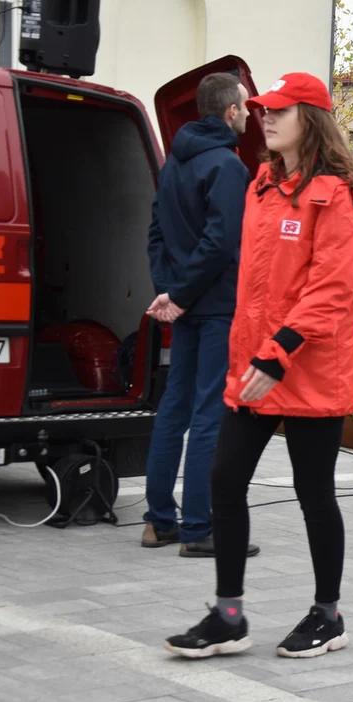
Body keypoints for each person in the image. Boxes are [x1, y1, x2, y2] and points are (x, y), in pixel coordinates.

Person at [162, 72, 353, 659]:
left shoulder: (337, 196)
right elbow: (251, 280)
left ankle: (328, 616)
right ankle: (229, 615)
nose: (265, 118)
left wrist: (276, 354)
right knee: (225, 480)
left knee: (314, 491)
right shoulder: (262, 187)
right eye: (261, 109)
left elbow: (331, 289)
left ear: (313, 118)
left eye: (279, 110)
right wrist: (185, 300)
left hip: (306, 368)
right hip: (257, 366)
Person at [143, 73, 260, 559]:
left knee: (173, 409)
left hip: (185, 304)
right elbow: (221, 243)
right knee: (210, 412)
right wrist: (186, 295)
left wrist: (169, 293)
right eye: (248, 108)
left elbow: (155, 233)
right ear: (231, 111)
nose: (252, 116)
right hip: (214, 308)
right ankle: (198, 528)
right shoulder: (228, 167)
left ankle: (158, 523)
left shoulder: (173, 164)